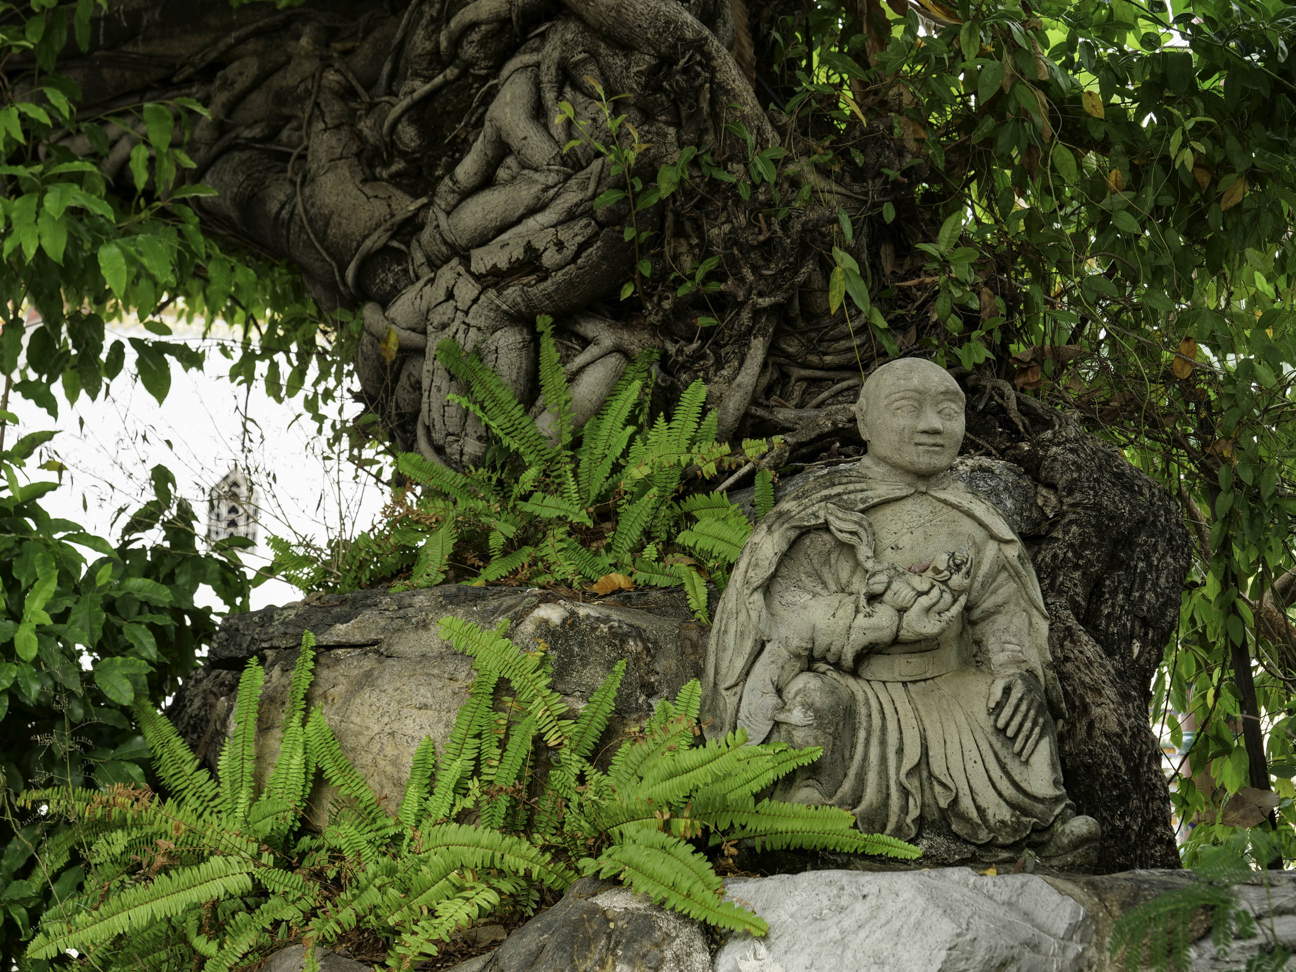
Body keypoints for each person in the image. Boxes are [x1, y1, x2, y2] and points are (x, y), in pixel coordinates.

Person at [702, 358, 1097, 856]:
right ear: (864, 422)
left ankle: (1042, 820)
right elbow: (785, 611)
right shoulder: (826, 512)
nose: (932, 425)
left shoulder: (975, 520)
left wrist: (1015, 669)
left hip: (953, 689)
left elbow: (1001, 613)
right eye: (908, 409)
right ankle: (803, 822)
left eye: (948, 411)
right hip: (855, 692)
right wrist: (878, 621)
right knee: (808, 703)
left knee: (1016, 708)